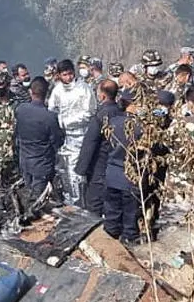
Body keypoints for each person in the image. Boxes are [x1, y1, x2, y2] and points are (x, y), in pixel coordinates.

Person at [47, 58, 95, 205]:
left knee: (80, 172)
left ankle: (82, 204)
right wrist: (58, 123)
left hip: (81, 135)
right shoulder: (57, 90)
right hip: (64, 138)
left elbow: (90, 112)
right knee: (65, 171)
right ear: (59, 76)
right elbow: (52, 110)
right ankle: (71, 203)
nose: (68, 77)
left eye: (69, 74)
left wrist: (67, 122)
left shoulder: (84, 88)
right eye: (64, 75)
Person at [101, 89, 145, 244]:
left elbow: (106, 147)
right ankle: (129, 239)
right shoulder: (141, 126)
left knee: (111, 210)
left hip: (112, 173)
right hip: (131, 175)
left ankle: (109, 240)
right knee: (130, 213)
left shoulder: (112, 123)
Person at [76, 79, 123, 215]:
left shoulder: (100, 116)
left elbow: (89, 144)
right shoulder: (121, 112)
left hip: (100, 165)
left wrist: (81, 170)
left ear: (102, 95)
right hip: (118, 164)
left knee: (94, 202)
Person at [16, 77, 66, 196]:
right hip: (42, 164)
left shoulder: (20, 110)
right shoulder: (49, 117)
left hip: (24, 161)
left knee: (27, 194)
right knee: (39, 200)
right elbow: (58, 141)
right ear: (47, 93)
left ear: (30, 92)